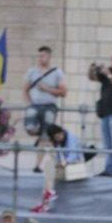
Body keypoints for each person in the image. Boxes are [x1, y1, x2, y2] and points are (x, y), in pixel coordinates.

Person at [22, 45, 67, 174]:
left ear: (49, 56)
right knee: (31, 128)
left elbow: (63, 92)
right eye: (39, 56)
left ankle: (39, 165)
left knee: (46, 137)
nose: (40, 58)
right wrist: (29, 103)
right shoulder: (32, 72)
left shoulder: (57, 72)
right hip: (34, 106)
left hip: (49, 106)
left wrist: (47, 89)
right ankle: (58, 161)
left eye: (43, 56)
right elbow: (25, 89)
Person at [32, 124, 84, 214]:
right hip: (64, 166)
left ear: (62, 132)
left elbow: (73, 156)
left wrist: (63, 163)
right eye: (56, 137)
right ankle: (46, 197)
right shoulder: (57, 143)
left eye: (59, 136)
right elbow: (57, 158)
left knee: (50, 169)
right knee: (49, 167)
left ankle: (46, 199)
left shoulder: (71, 138)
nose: (58, 138)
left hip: (75, 165)